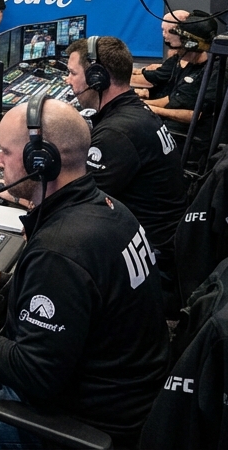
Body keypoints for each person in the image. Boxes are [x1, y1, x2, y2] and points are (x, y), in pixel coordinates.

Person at [0, 98, 169, 448]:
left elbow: (34, 374)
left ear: (41, 160)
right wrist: (3, 281)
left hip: (79, 418)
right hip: (118, 393)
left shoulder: (61, 250)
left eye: (6, 151)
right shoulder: (108, 208)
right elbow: (77, 305)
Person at [62, 36, 184, 293]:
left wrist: (22, 193)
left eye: (72, 73)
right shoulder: (133, 111)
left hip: (148, 260)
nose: (67, 80)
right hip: (156, 241)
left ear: (97, 78)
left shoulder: (117, 133)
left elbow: (76, 204)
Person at [131, 10, 215, 137]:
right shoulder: (185, 63)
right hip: (170, 126)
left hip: (186, 135)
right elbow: (173, 99)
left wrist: (149, 107)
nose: (175, 51)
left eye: (179, 47)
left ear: (191, 43)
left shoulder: (209, 72)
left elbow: (196, 115)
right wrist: (138, 102)